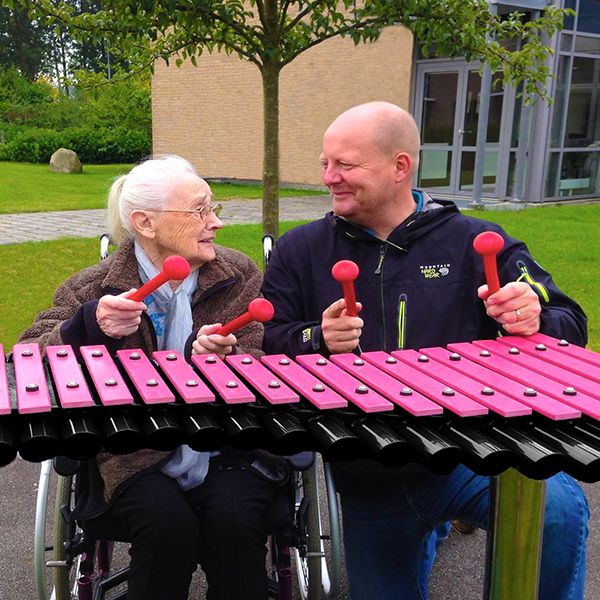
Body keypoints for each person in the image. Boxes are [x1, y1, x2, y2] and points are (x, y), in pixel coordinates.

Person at [261, 102, 590, 600]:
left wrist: (534, 318)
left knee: (557, 512)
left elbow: (571, 323)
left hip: (472, 453)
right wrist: (317, 339)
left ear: (400, 166)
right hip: (368, 470)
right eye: (325, 163)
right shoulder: (299, 250)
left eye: (345, 165)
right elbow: (269, 344)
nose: (329, 177)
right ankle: (432, 529)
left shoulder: (475, 242)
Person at [18, 155, 291, 600]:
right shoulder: (93, 288)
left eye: (213, 208)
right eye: (200, 210)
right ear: (145, 222)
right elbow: (28, 363)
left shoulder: (238, 273)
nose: (216, 223)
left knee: (236, 523)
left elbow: (258, 352)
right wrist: (88, 325)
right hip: (134, 447)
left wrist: (228, 356)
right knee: (169, 529)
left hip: (227, 442)